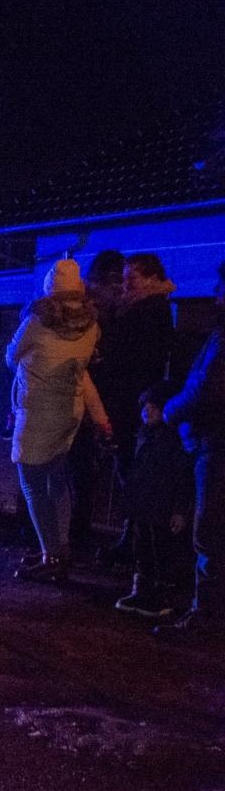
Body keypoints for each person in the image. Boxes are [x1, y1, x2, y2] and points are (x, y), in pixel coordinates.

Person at [7, 259, 111, 583]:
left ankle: (50, 555)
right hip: (70, 414)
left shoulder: (37, 322)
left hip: (38, 412)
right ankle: (60, 549)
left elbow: (10, 356)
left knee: (33, 485)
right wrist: (101, 418)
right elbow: (82, 375)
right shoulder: (92, 326)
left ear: (49, 288)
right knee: (56, 483)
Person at [157, 260, 225, 639]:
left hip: (217, 442)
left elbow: (209, 385)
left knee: (210, 532)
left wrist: (172, 409)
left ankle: (207, 620)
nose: (216, 293)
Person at [99, 253, 177, 560]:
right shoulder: (141, 310)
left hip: (132, 404)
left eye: (133, 277)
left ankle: (133, 546)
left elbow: (135, 362)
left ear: (153, 279)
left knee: (132, 473)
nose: (126, 284)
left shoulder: (150, 312)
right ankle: (131, 542)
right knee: (128, 471)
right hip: (130, 402)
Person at [113, 383, 193, 618]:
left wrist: (179, 510)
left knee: (161, 551)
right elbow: (135, 473)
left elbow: (182, 477)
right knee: (142, 549)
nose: (148, 411)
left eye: (154, 407)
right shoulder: (143, 437)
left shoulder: (173, 441)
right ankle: (141, 592)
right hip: (143, 507)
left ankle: (161, 596)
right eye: (145, 407)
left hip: (161, 509)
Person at [70, 250, 126, 551]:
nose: (119, 287)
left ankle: (74, 529)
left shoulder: (107, 313)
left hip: (92, 398)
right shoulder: (93, 315)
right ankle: (73, 530)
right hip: (85, 397)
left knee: (80, 467)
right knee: (78, 467)